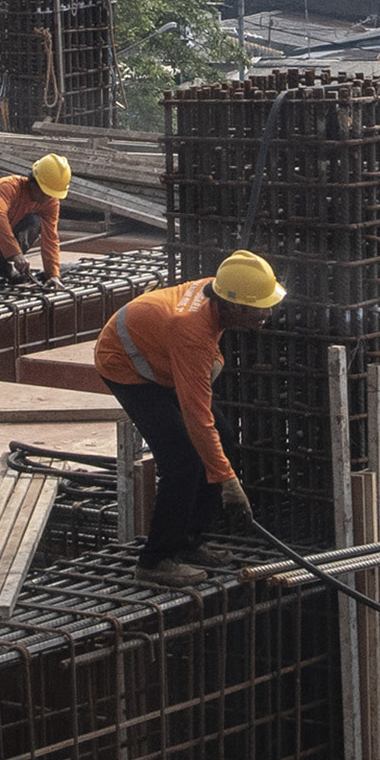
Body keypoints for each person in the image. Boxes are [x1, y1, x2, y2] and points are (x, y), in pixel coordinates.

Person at [93, 251, 285, 585]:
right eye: (261, 306)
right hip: (126, 364)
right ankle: (154, 561)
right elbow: (197, 418)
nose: (268, 313)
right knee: (182, 459)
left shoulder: (218, 293)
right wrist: (228, 481)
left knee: (222, 437)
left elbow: (210, 337)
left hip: (162, 354)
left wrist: (216, 359)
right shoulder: (190, 330)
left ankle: (188, 541)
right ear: (235, 306)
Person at [0, 154, 70, 286]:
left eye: (52, 195)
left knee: (34, 223)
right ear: (33, 183)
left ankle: (2, 268)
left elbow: (50, 238)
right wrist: (16, 254)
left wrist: (54, 275)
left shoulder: (49, 202)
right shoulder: (8, 186)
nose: (47, 199)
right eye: (45, 193)